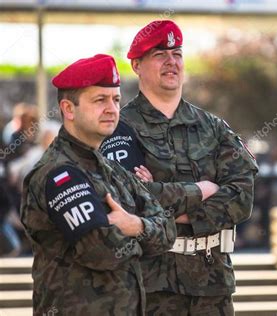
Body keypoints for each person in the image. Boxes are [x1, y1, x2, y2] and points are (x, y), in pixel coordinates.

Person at [100, 20, 258, 315]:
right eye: (160, 54)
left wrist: (165, 202)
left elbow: (242, 197)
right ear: (136, 65)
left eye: (177, 54)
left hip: (213, 283)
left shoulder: (214, 127)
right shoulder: (118, 128)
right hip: (150, 284)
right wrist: (204, 190)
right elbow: (128, 200)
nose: (171, 62)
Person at [20, 54, 176, 315]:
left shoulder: (111, 168)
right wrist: (146, 233)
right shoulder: (58, 174)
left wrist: (135, 225)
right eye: (99, 100)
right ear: (69, 109)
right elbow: (104, 251)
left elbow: (168, 230)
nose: (112, 109)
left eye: (116, 99)